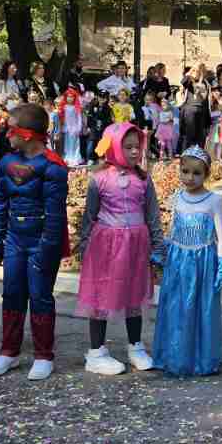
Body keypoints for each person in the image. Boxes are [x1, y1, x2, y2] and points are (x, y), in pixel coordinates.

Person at [0, 103, 68, 382]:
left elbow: (55, 215)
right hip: (14, 240)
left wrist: (47, 249)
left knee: (40, 295)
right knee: (12, 293)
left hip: (40, 241)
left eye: (11, 130)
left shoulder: (53, 167)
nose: (6, 135)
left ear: (27, 134)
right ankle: (9, 351)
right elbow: (0, 203)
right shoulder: (7, 163)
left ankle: (44, 355)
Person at [77, 121, 162, 376]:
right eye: (128, 147)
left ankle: (135, 346)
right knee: (101, 294)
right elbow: (89, 216)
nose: (135, 151)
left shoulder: (143, 179)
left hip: (136, 246)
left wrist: (158, 246)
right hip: (106, 246)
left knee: (134, 294)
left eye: (138, 146)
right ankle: (96, 352)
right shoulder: (99, 179)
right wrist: (84, 246)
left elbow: (153, 215)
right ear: (113, 147)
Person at [154, 146, 222, 378]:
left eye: (196, 173)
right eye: (185, 171)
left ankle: (201, 359)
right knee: (177, 308)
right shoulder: (177, 198)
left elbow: (221, 237)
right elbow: (173, 230)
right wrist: (163, 251)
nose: (190, 177)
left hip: (203, 265)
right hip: (178, 263)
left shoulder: (214, 200)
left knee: (202, 310)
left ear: (206, 174)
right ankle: (176, 357)